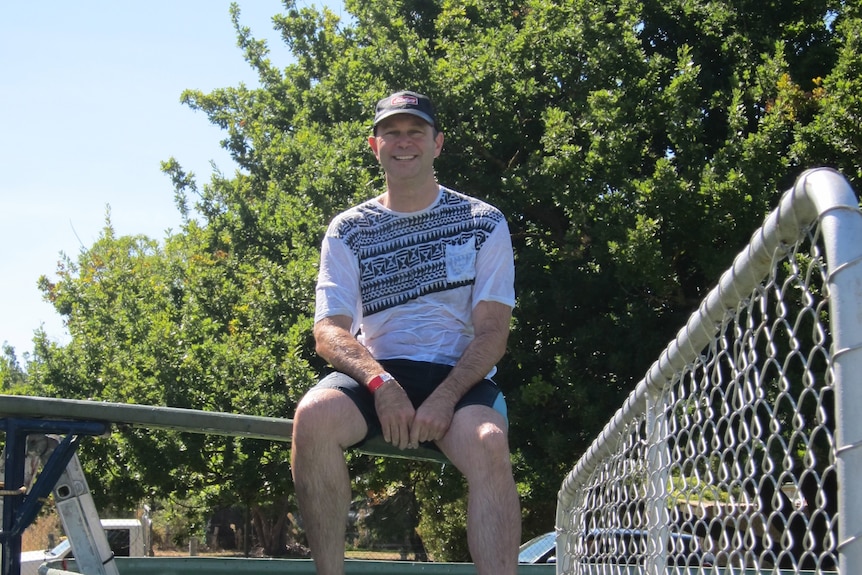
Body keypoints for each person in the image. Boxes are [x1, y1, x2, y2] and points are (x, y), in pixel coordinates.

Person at [290, 90, 521, 575]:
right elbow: (329, 332)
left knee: (488, 440)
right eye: (392, 132)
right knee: (312, 416)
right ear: (374, 146)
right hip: (378, 373)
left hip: (460, 380)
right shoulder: (349, 229)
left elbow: (493, 332)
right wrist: (382, 385)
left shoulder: (483, 222)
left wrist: (444, 396)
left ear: (437, 143)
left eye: (415, 131)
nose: (404, 142)